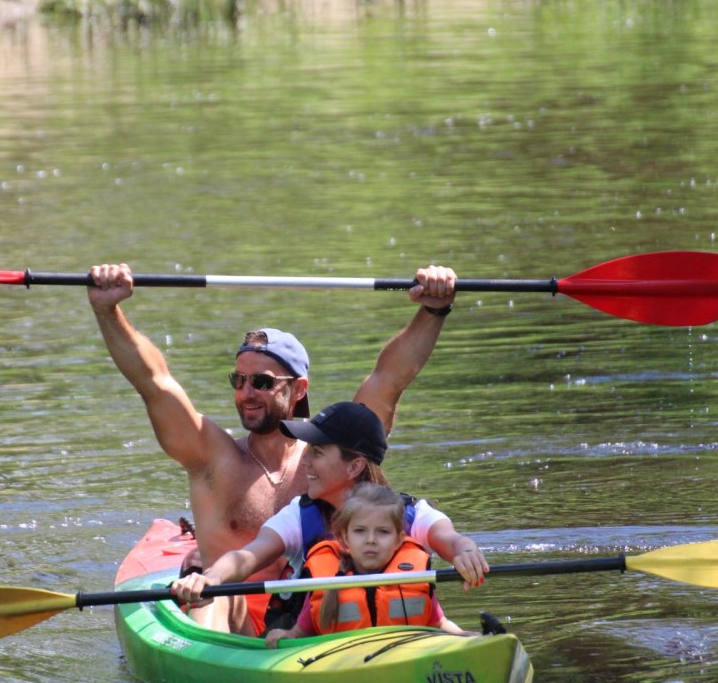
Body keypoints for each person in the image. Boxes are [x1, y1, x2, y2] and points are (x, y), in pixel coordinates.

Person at [88, 261, 461, 633]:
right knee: (225, 593)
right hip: (235, 627)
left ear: (298, 389)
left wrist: (433, 309)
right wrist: (108, 309)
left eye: (262, 382)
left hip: (322, 621)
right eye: (239, 380)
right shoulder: (212, 456)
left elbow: (389, 379)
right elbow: (154, 383)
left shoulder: (334, 454)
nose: (246, 393)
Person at [171, 401, 489, 634]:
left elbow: (449, 538)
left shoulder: (409, 514)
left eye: (318, 453)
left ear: (354, 467)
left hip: (398, 647)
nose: (305, 462)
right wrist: (210, 578)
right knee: (220, 600)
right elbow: (246, 557)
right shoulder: (300, 515)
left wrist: (464, 551)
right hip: (309, 652)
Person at [264, 482, 473, 647]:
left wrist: (467, 638)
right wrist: (286, 635)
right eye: (360, 531)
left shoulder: (412, 578)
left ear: (399, 539)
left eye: (383, 532)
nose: (371, 540)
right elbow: (301, 632)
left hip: (404, 658)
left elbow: (439, 623)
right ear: (344, 538)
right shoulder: (326, 579)